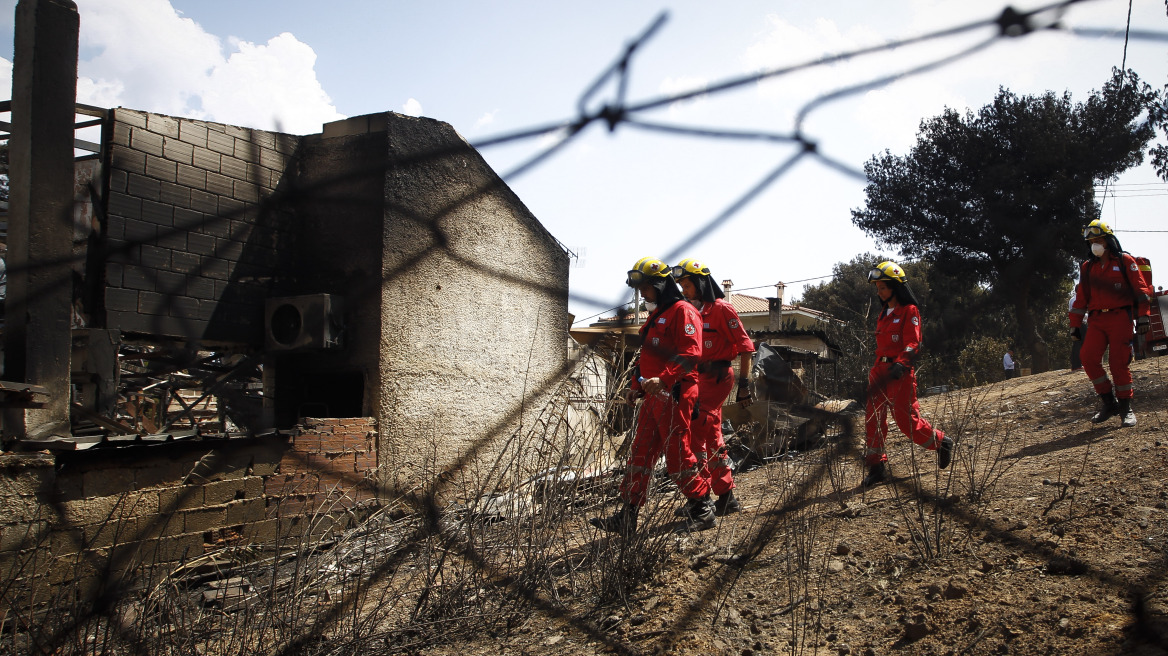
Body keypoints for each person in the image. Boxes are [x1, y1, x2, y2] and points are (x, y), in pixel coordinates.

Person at [591, 256, 717, 534]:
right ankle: (628, 515)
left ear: (660, 286)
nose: (642, 294)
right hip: (653, 397)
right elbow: (647, 360)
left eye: (646, 288)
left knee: (678, 455)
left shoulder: (682, 312)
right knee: (640, 453)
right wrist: (636, 387)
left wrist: (665, 379)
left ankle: (702, 507)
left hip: (675, 393)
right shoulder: (657, 316)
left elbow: (691, 354)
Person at [670, 258, 755, 517]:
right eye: (682, 285)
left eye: (688, 284)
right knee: (712, 436)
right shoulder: (687, 311)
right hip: (695, 379)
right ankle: (726, 496)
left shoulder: (722, 309)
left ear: (700, 283)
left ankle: (703, 496)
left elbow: (746, 348)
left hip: (718, 378)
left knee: (696, 432)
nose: (684, 290)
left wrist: (743, 387)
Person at [862, 261, 953, 486]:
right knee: (873, 420)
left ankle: (940, 442)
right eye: (878, 288)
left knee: (906, 422)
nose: (879, 292)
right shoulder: (883, 314)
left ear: (895, 286)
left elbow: (913, 342)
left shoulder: (909, 311)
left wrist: (902, 364)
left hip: (899, 373)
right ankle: (876, 467)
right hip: (879, 372)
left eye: (883, 287)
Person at [1068, 219, 1153, 428]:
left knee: (1118, 363)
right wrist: (1075, 324)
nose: (1094, 244)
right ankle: (1109, 402)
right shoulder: (1087, 268)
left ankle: (1126, 408)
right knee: (1087, 358)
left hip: (1120, 318)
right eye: (1091, 241)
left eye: (1098, 239)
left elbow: (1141, 290)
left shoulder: (1125, 262)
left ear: (1108, 240)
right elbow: (1080, 299)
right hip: (1096, 320)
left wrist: (1143, 316)